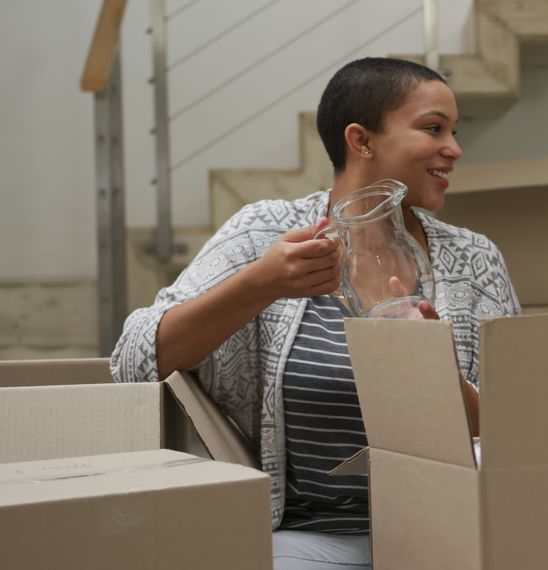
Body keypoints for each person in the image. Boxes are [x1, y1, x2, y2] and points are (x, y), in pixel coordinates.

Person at [111, 58, 521, 568]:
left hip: (451, 532)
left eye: (454, 132)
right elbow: (133, 363)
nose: (454, 149)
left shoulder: (475, 259)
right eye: (433, 128)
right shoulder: (267, 231)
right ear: (361, 140)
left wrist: (436, 371)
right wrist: (259, 285)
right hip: (308, 539)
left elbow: (520, 433)